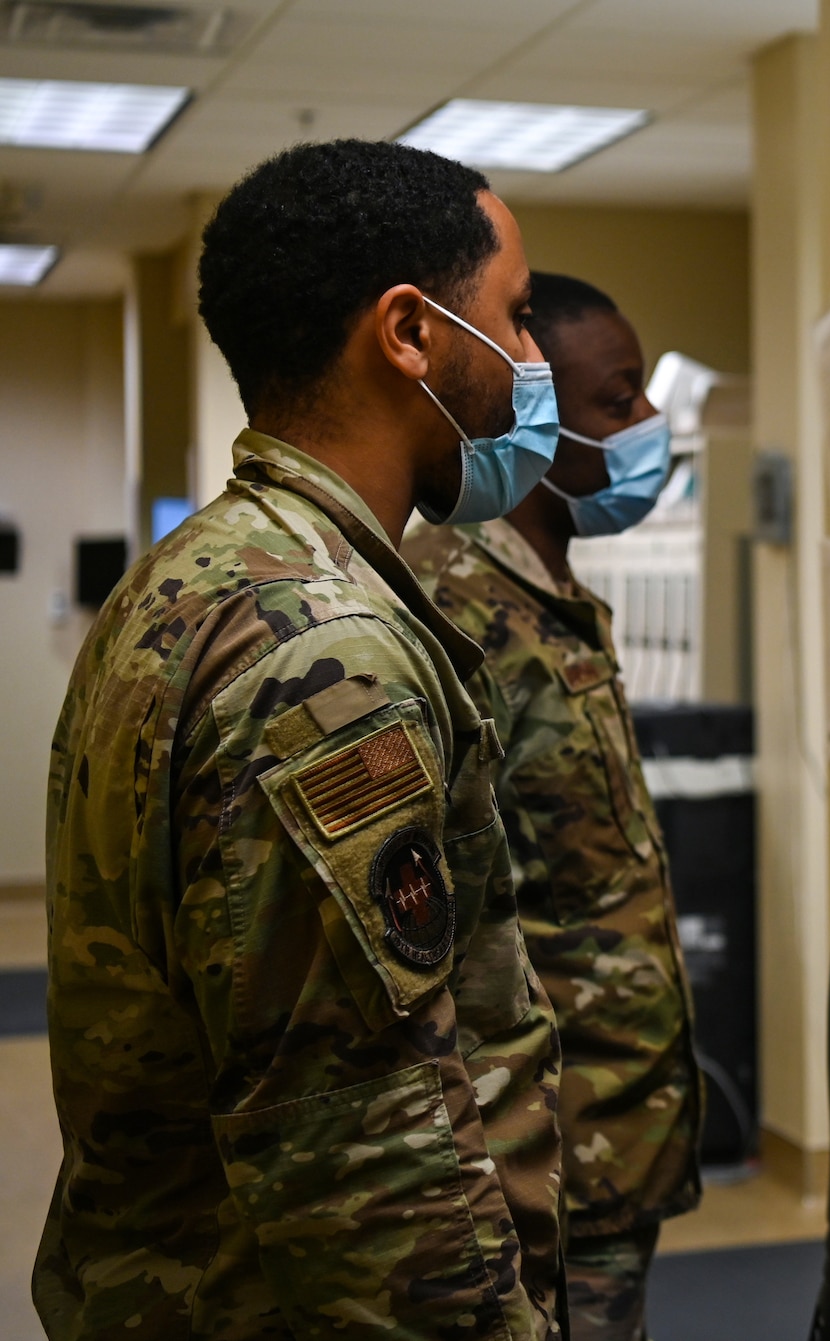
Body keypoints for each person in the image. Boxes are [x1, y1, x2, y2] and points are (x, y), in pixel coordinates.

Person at [38, 140, 570, 1339]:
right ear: (410, 332)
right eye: (517, 319)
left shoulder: (187, 581)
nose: (533, 362)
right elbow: (371, 1170)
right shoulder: (321, 656)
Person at [403, 273, 702, 1341]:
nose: (650, 428)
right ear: (535, 422)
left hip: (611, 1144)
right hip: (536, 1165)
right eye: (618, 403)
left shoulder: (553, 599)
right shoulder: (451, 611)